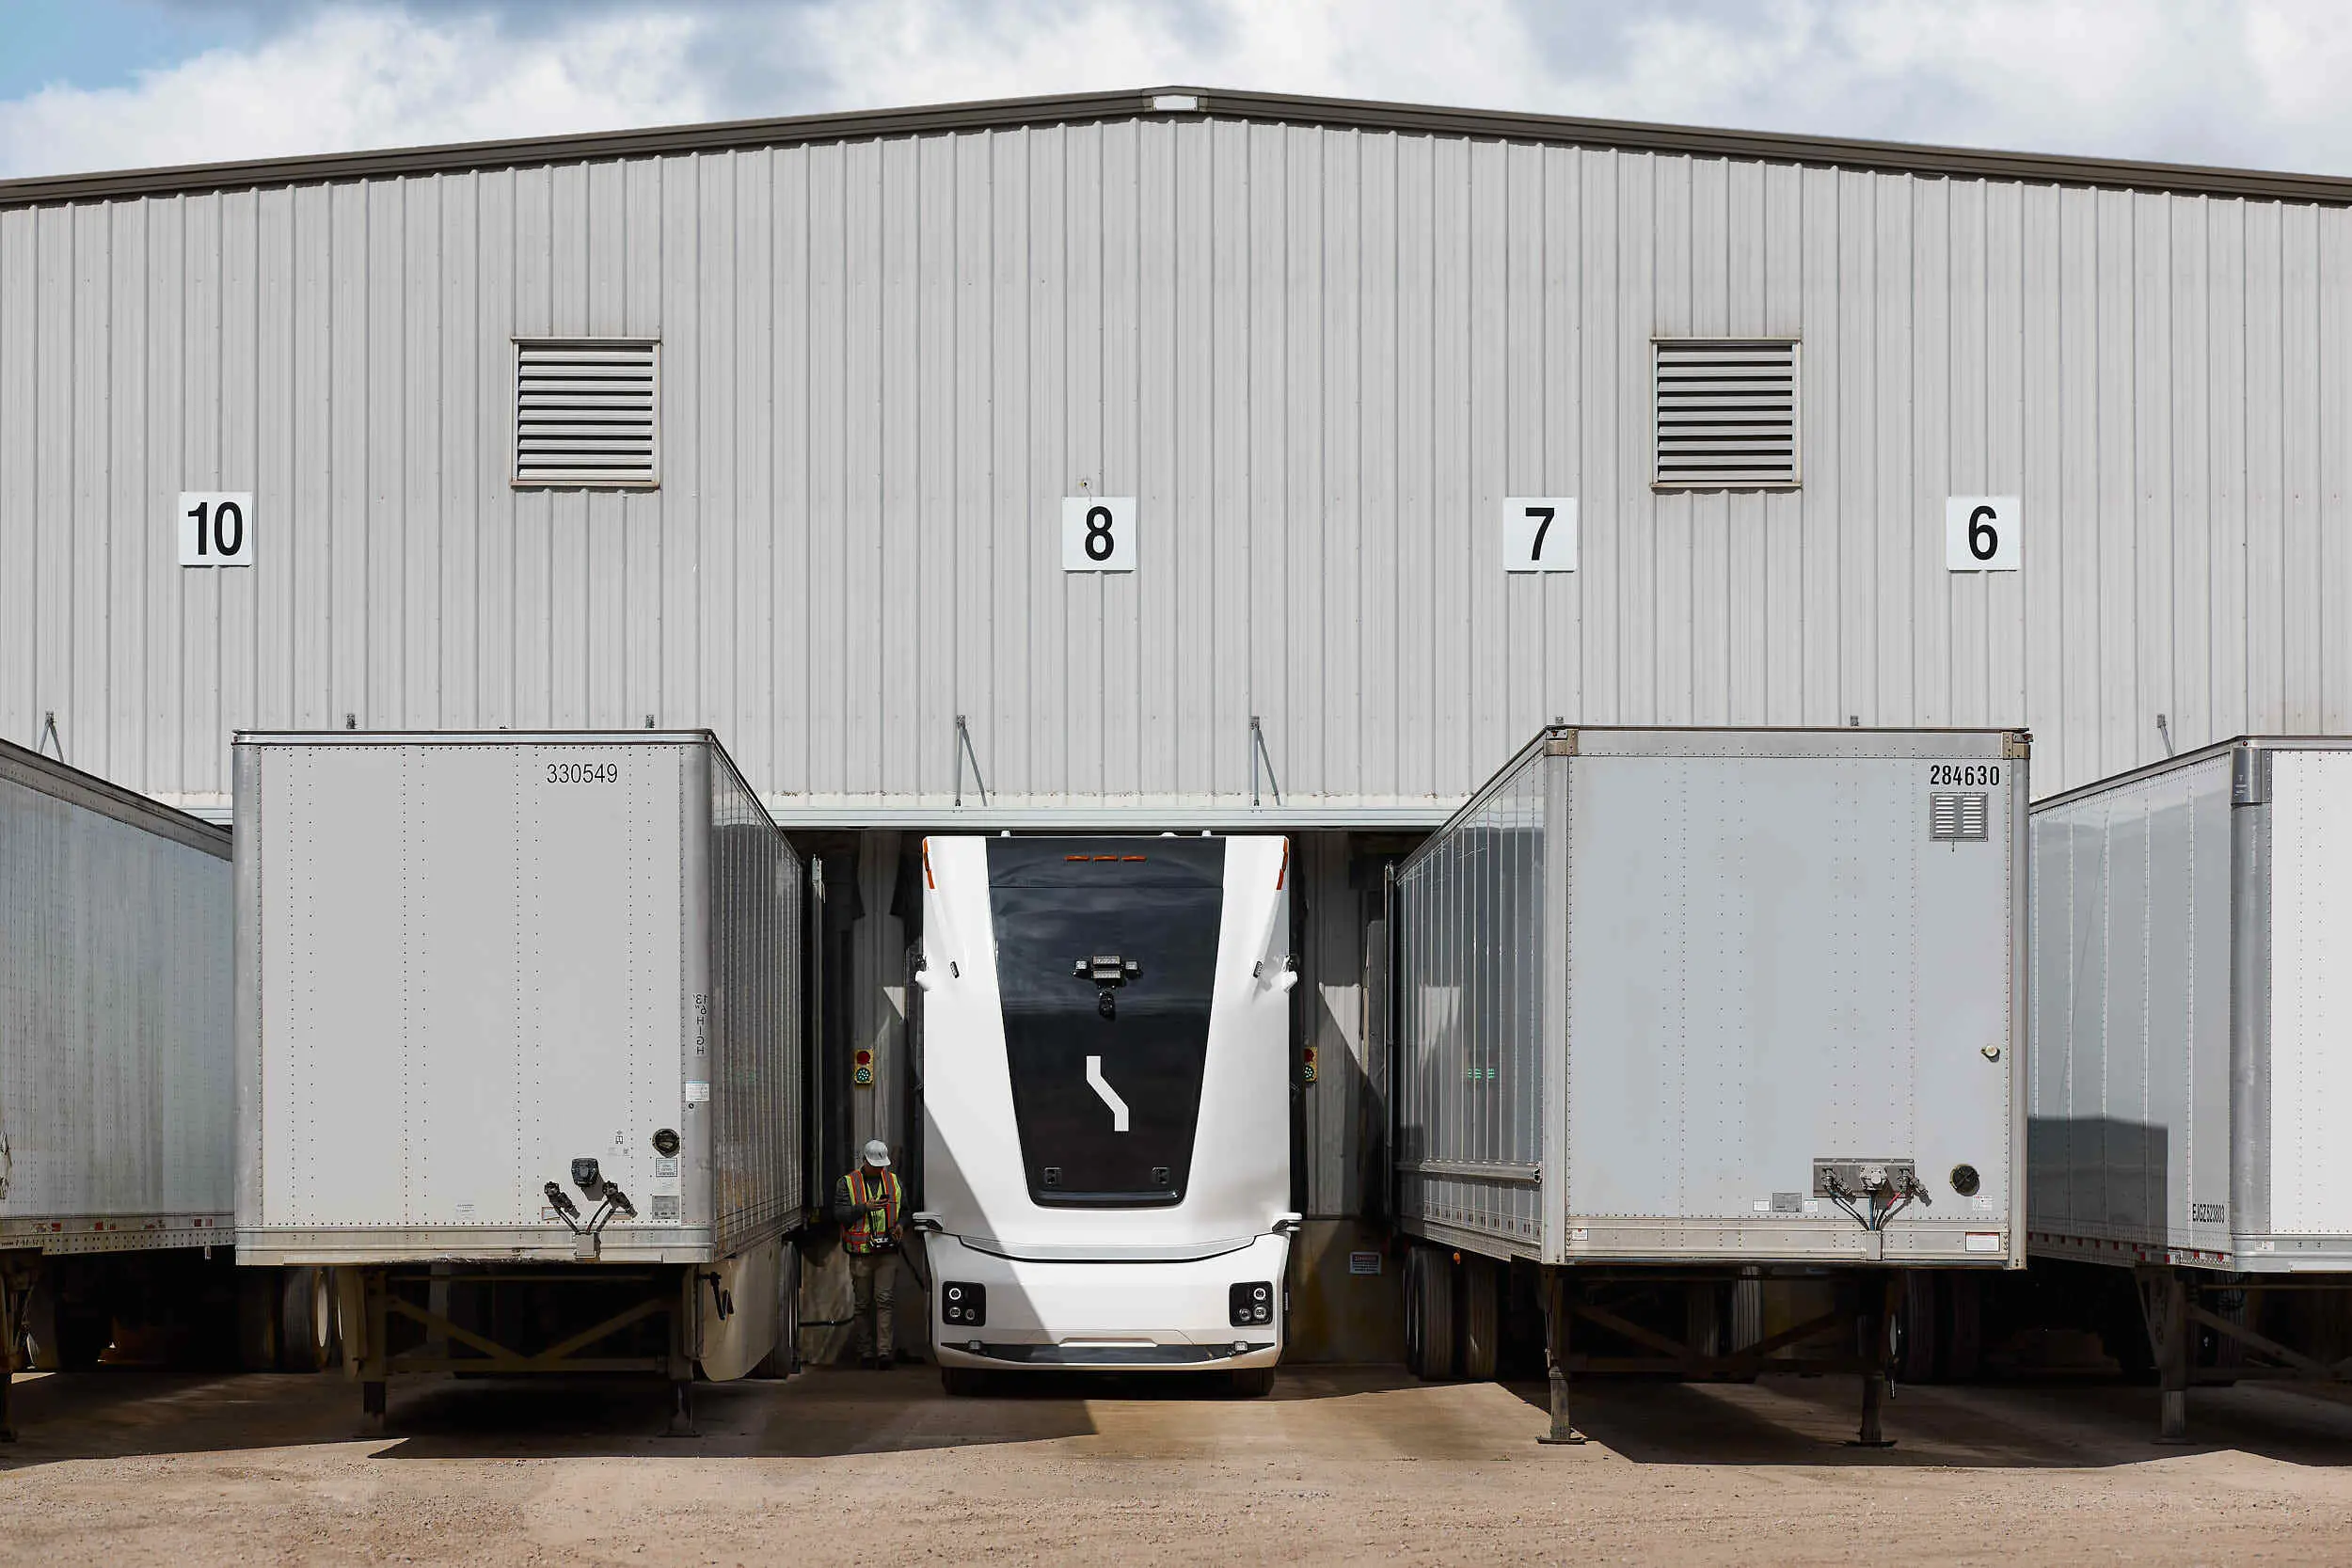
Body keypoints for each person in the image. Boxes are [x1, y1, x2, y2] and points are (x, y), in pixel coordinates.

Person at [833, 1139, 903, 1369]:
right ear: (864, 1161)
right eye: (875, 1165)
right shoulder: (847, 1183)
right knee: (863, 1304)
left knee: (885, 1300)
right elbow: (840, 1215)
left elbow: (907, 1210)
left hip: (887, 1252)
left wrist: (902, 1224)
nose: (880, 1169)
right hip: (861, 1253)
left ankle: (884, 1353)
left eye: (882, 1165)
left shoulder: (893, 1182)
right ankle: (865, 1352)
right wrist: (865, 1207)